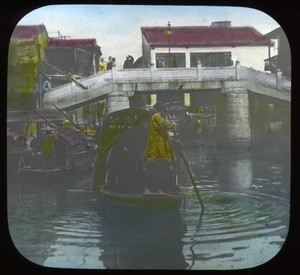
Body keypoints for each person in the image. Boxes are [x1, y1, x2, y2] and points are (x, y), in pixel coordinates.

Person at [144, 102, 178, 193]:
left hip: (161, 146)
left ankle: (163, 188)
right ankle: (155, 189)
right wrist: (166, 116)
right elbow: (168, 125)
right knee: (157, 167)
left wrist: (166, 115)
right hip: (156, 147)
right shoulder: (156, 116)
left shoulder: (159, 117)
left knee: (162, 167)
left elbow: (170, 126)